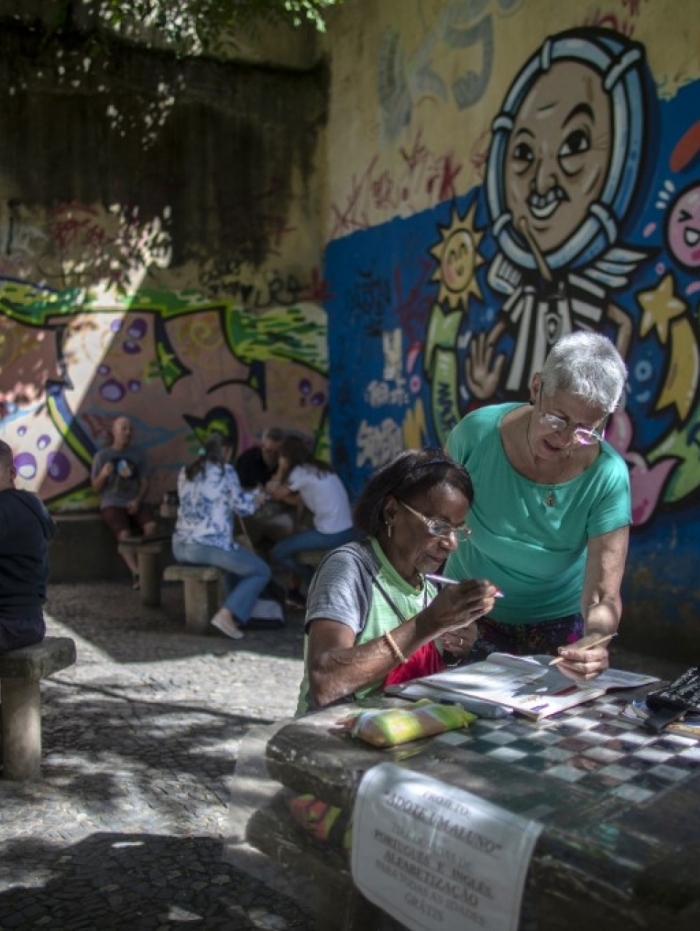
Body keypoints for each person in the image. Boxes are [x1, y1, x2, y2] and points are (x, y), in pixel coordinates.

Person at [444, 330, 631, 679]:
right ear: (536, 388)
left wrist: (595, 640)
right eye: (557, 418)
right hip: (465, 615)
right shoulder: (475, 436)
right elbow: (432, 528)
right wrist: (430, 611)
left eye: (585, 430)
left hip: (556, 631)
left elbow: (602, 595)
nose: (564, 440)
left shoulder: (607, 476)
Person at [296, 448, 500, 714]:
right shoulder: (350, 568)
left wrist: (452, 649)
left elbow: (410, 672)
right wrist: (430, 623)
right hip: (335, 740)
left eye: (457, 530)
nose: (451, 543)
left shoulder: (426, 583)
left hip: (396, 732)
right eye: (438, 526)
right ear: (392, 511)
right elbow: (327, 681)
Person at [172, 433, 271, 640]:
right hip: (208, 545)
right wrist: (259, 498)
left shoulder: (186, 471)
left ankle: (232, 612)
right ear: (226, 451)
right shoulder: (226, 471)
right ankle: (227, 615)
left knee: (232, 564)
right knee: (261, 570)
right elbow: (242, 508)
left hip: (181, 545)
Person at [267, 435, 356, 609]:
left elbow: (277, 494)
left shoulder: (299, 472)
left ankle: (311, 579)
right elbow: (299, 500)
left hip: (331, 534)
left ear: (286, 456)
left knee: (278, 552)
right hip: (346, 530)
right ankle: (297, 592)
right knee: (295, 544)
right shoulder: (317, 468)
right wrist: (299, 524)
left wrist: (279, 471)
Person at [0, 440, 56, 652]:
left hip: (11, 624)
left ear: (11, 473)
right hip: (29, 622)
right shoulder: (30, 503)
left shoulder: (6, 510)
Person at [91, 415, 156, 588]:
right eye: (124, 429)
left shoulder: (138, 455)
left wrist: (137, 500)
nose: (128, 433)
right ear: (114, 432)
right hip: (112, 503)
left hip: (134, 500)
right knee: (124, 534)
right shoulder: (102, 456)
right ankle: (137, 573)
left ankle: (148, 569)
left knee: (151, 527)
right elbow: (95, 488)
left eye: (129, 429)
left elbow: (145, 481)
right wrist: (104, 475)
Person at [235, 427, 295, 555]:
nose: (272, 456)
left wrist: (281, 472)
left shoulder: (289, 462)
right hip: (254, 510)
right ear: (261, 445)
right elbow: (238, 489)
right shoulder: (247, 459)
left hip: (280, 511)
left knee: (288, 527)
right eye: (268, 451)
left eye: (276, 452)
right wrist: (256, 491)